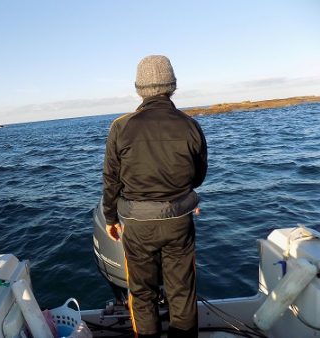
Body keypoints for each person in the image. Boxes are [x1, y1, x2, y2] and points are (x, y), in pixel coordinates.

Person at [102, 55, 207, 338]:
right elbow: (198, 176)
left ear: (139, 88)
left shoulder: (120, 127)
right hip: (178, 223)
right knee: (182, 292)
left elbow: (111, 180)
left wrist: (110, 217)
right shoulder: (190, 125)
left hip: (137, 226)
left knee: (142, 292)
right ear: (171, 86)